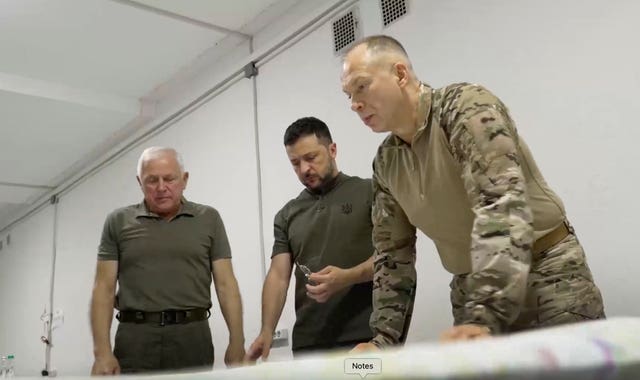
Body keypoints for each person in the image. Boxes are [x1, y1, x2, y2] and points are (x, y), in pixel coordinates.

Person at [340, 35, 606, 350]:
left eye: (361, 86)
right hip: (472, 291)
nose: (354, 104)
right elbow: (391, 254)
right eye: (348, 95)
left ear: (400, 74)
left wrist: (484, 317)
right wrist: (384, 339)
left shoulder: (466, 107)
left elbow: (501, 208)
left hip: (547, 275)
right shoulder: (386, 163)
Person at [90, 147, 245, 374]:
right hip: (135, 339)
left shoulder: (209, 219)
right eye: (152, 180)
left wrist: (237, 341)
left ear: (184, 179)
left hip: (193, 337)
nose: (161, 188)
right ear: (139, 182)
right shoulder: (118, 221)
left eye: (169, 179)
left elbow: (226, 284)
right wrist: (102, 352)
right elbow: (103, 288)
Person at [245, 117, 376, 361]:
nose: (304, 169)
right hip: (309, 345)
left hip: (366, 339)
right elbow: (278, 276)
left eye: (311, 158)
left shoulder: (370, 192)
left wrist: (347, 277)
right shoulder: (287, 215)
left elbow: (394, 258)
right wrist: (266, 331)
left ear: (332, 150)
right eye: (295, 163)